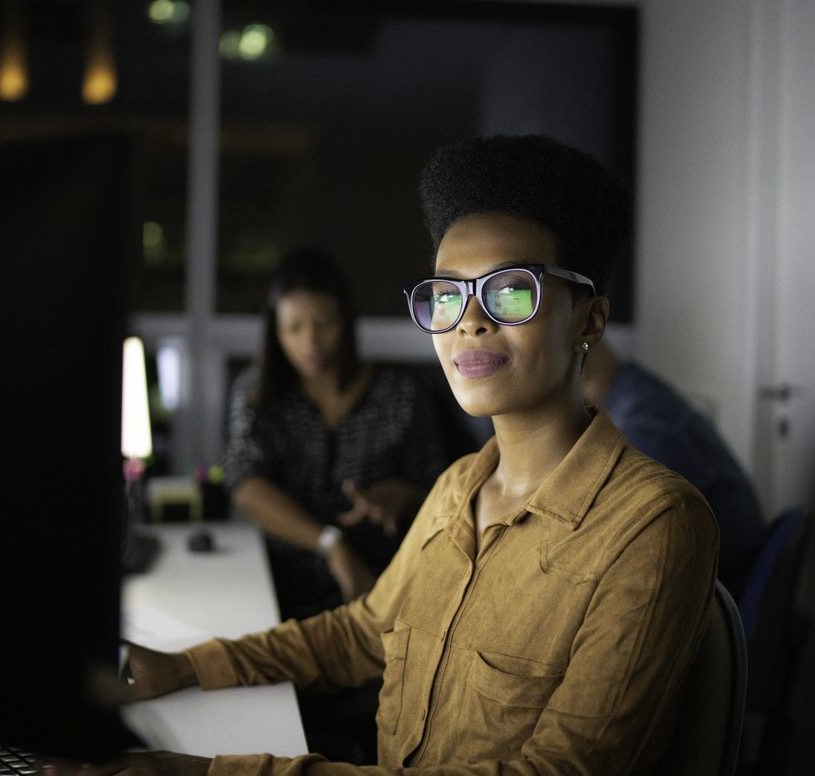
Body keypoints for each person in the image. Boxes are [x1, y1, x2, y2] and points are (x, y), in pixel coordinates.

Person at [101, 135, 719, 776]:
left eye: (510, 291)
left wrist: (196, 772)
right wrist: (182, 667)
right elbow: (362, 632)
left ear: (589, 320)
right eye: (448, 295)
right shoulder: (459, 488)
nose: (469, 322)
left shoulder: (652, 526)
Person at [224, 247, 456, 623]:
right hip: (276, 588)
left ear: (346, 320)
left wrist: (404, 496)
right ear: (275, 329)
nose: (311, 342)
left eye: (325, 323)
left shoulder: (401, 394)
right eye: (294, 327)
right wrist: (331, 544)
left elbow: (443, 487)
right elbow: (245, 483)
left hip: (383, 588)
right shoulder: (257, 394)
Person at [582, 340, 767, 596]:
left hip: (716, 599)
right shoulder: (638, 393)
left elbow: (619, 565)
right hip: (725, 584)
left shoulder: (643, 433)